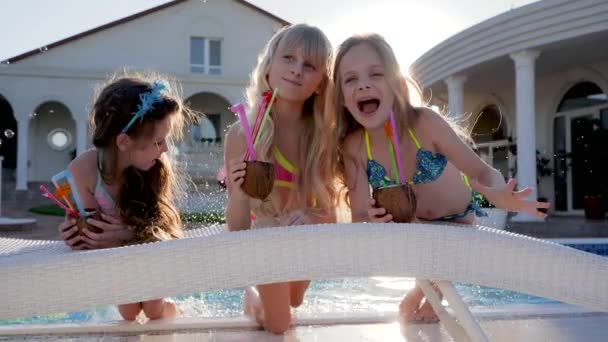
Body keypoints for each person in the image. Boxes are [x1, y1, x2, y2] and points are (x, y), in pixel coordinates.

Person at [326, 33, 550, 323]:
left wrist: (497, 194)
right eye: (350, 79)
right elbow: (358, 217)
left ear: (395, 84)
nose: (364, 84)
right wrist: (373, 218)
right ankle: (420, 291)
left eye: (376, 74)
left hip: (460, 221)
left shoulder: (424, 124)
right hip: (416, 228)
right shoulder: (355, 146)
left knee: (430, 312)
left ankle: (427, 292)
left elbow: (483, 172)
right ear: (342, 98)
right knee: (408, 312)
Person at [223, 23, 338, 334]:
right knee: (279, 324)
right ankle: (257, 293)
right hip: (263, 236)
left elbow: (331, 214)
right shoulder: (242, 135)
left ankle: (256, 296)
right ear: (269, 66)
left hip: (303, 235)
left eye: (309, 65)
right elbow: (237, 227)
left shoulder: (322, 139)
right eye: (288, 58)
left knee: (296, 300)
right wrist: (237, 195)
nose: (297, 70)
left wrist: (312, 219)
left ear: (320, 83)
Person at [57, 72, 196, 321]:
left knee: (154, 309)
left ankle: (173, 312)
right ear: (123, 141)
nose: (165, 149)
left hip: (151, 251)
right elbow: (94, 237)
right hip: (114, 261)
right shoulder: (83, 172)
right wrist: (76, 234)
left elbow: (169, 231)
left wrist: (130, 233)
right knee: (129, 311)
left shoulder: (154, 167)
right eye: (158, 142)